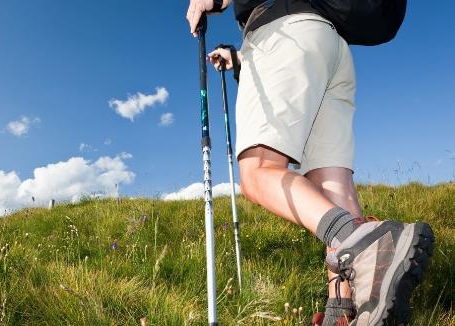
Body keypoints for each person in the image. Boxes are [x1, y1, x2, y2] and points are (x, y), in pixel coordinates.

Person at [185, 1, 434, 325]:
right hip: (328, 44)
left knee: (258, 171)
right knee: (333, 190)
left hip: (283, 32)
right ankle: (344, 313)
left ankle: (366, 245)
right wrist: (240, 58)